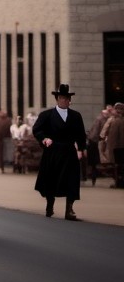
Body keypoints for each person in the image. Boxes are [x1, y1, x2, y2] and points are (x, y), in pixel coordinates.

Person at [32, 83, 87, 220]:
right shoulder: (47, 115)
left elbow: (81, 134)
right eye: (62, 98)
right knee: (51, 179)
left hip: (69, 152)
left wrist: (81, 149)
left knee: (72, 180)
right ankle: (50, 206)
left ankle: (69, 210)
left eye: (67, 98)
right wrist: (44, 139)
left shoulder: (75, 116)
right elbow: (37, 129)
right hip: (53, 152)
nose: (65, 100)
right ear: (57, 99)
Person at [98, 102, 124, 187]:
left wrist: (107, 145)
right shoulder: (118, 120)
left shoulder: (114, 120)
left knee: (116, 165)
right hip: (119, 146)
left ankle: (118, 182)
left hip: (115, 146)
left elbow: (107, 134)